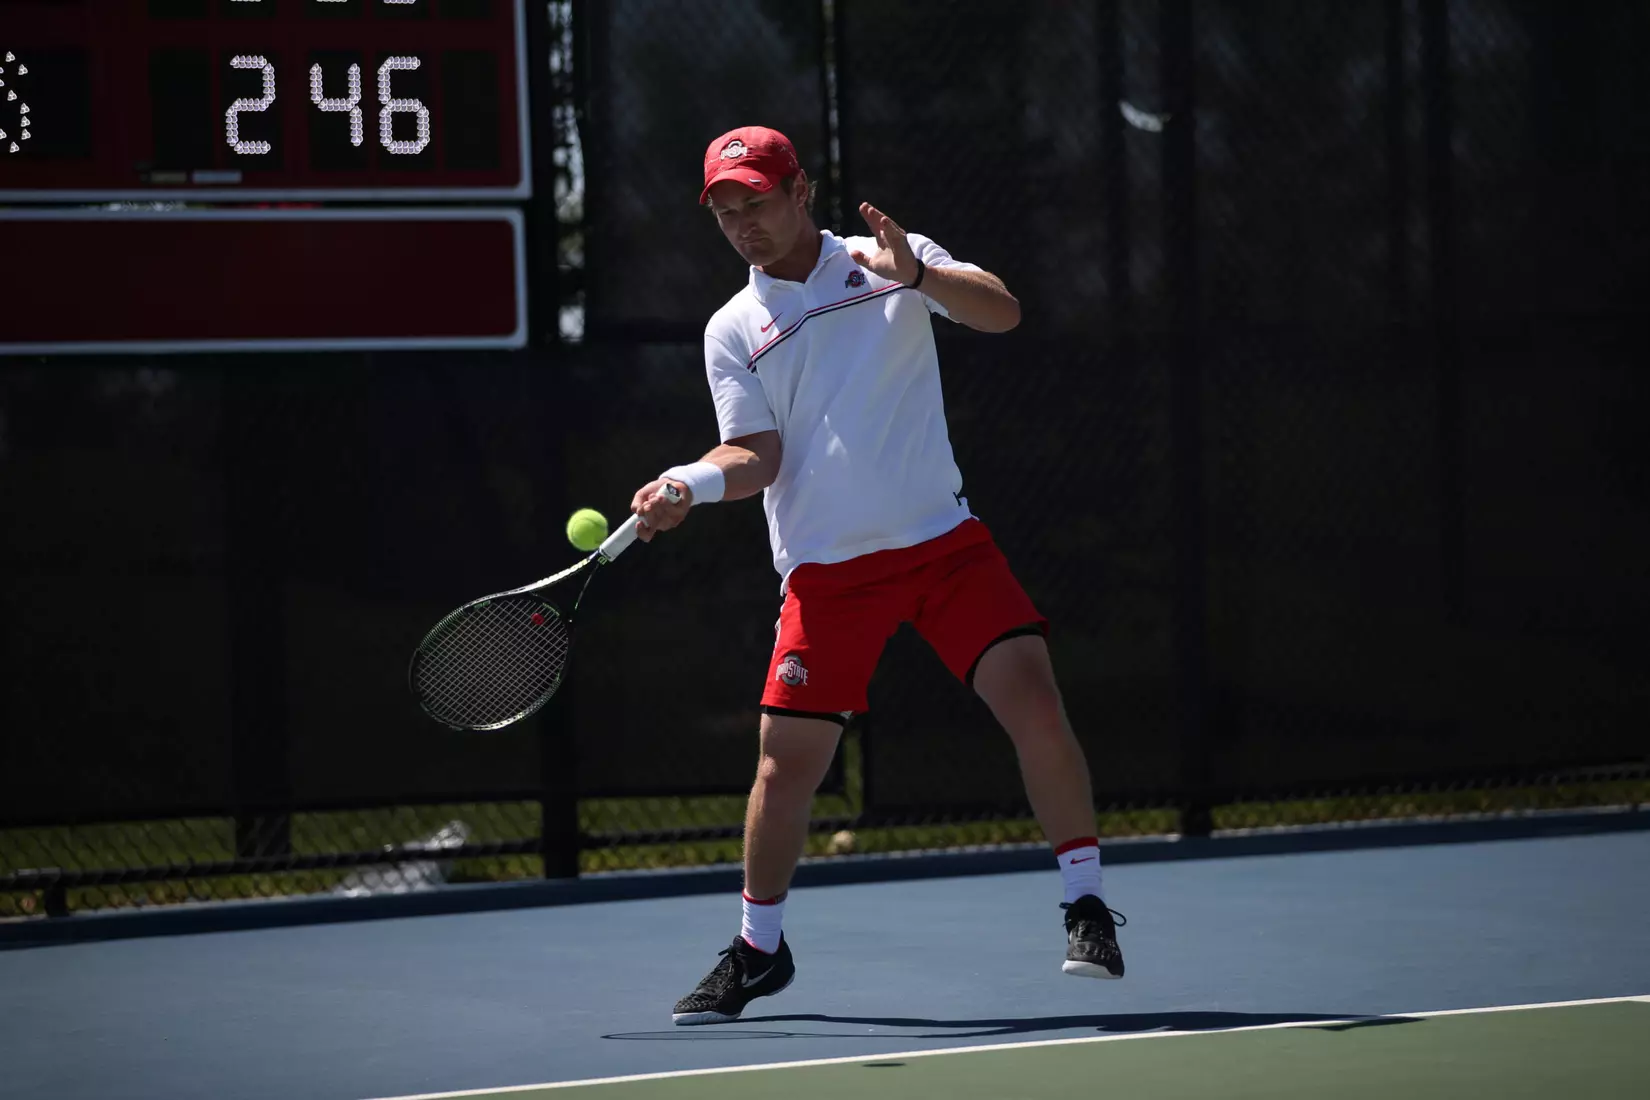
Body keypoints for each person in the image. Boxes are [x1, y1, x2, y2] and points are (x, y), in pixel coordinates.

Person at [628, 125, 1125, 1026]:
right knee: (784, 773)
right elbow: (757, 454)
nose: (744, 225)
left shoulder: (887, 257)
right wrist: (688, 484)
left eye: (757, 203)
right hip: (829, 578)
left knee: (1036, 705)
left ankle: (1086, 906)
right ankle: (758, 951)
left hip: (945, 546)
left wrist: (920, 278)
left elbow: (1004, 311)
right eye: (726, 214)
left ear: (800, 190)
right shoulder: (732, 328)